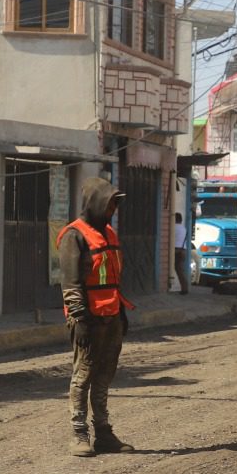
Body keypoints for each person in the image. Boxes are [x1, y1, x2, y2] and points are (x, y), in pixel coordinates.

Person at [58, 176, 135, 458]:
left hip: (111, 315)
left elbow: (113, 278)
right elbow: (71, 282)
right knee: (84, 375)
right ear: (95, 203)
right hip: (87, 319)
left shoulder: (109, 235)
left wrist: (121, 313)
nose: (112, 210)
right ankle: (79, 434)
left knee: (104, 376)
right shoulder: (74, 236)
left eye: (115, 205)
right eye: (109, 204)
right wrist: (78, 319)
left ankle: (103, 433)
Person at [172, 211, 189, 295]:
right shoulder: (183, 228)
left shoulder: (173, 227)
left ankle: (184, 289)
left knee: (178, 270)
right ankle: (184, 287)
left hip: (175, 250)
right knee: (180, 270)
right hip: (183, 250)